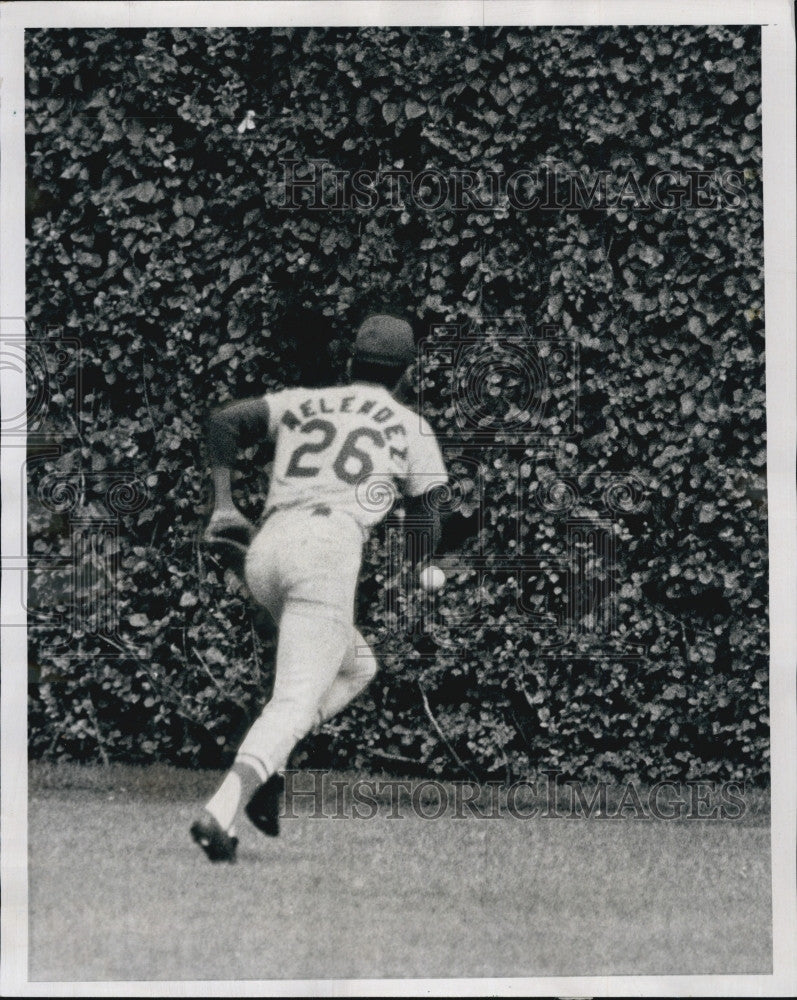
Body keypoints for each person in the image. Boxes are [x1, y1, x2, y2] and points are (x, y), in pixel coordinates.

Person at [190, 314, 448, 862]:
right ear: (406, 374)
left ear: (350, 362)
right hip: (326, 551)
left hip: (269, 546)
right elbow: (427, 512)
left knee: (358, 666)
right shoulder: (409, 424)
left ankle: (271, 763)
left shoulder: (305, 401)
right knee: (291, 702)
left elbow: (223, 422)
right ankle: (221, 810)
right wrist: (421, 565)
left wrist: (224, 504)